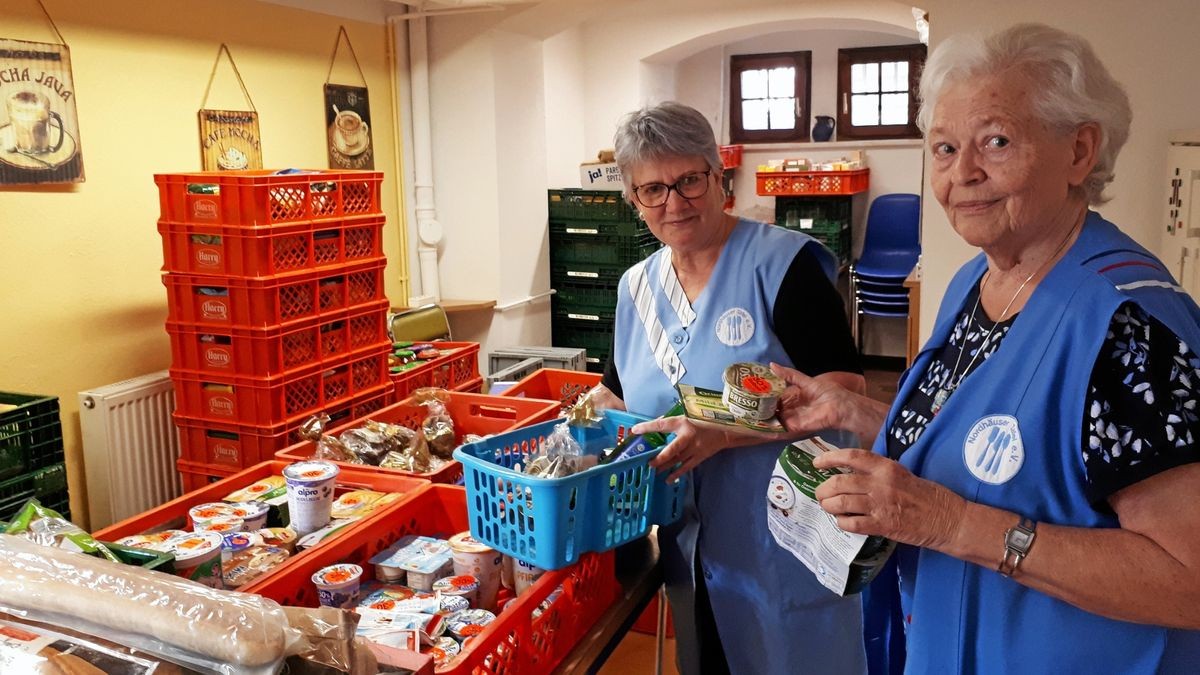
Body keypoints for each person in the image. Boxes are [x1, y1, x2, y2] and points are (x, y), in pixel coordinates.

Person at [733, 23, 1200, 673]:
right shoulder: (977, 282)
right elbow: (991, 433)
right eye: (946, 148)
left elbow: (1190, 576)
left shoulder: (1129, 328)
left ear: (1079, 151)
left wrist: (949, 523)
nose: (963, 174)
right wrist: (856, 411)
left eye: (996, 142)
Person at [586, 101, 869, 674]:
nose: (674, 202)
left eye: (689, 180)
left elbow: (841, 388)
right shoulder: (634, 289)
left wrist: (722, 432)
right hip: (687, 544)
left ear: (719, 176)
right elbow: (617, 394)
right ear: (634, 201)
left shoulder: (782, 267)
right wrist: (565, 435)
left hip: (784, 537)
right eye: (652, 190)